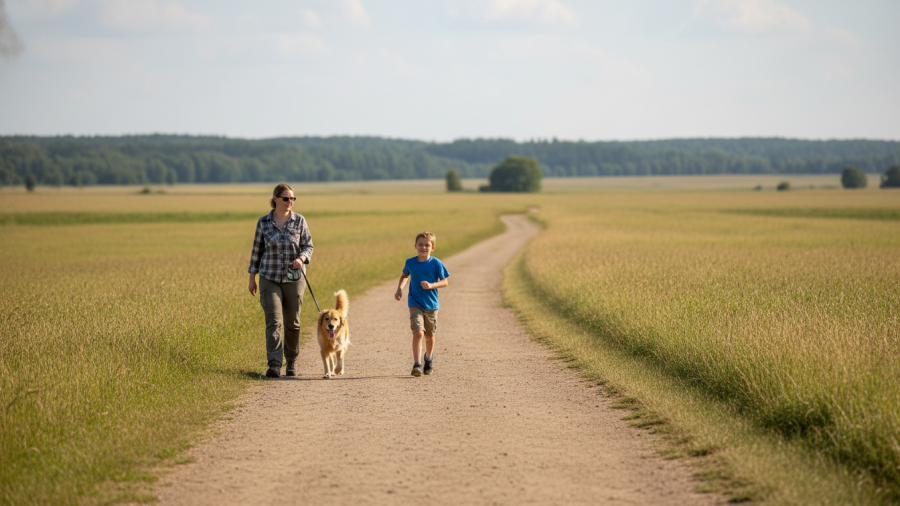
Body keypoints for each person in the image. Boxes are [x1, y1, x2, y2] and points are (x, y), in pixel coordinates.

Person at [248, 183, 314, 378]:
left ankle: (291, 361)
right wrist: (252, 278)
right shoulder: (263, 222)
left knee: (293, 323)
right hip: (269, 277)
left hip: (294, 278)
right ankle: (274, 364)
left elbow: (308, 246)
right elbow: (256, 251)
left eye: (292, 199)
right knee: (274, 321)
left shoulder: (299, 221)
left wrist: (301, 259)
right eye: (286, 198)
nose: (289, 202)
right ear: (275, 198)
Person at [394, 231, 450, 376]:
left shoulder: (436, 263)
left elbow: (445, 282)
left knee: (429, 336)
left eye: (427, 245)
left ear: (432, 248)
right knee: (418, 332)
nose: (423, 247)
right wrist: (400, 289)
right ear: (415, 246)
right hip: (415, 303)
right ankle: (417, 364)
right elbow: (404, 276)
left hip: (431, 305)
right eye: (420, 244)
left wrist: (431, 285)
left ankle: (428, 358)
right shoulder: (410, 262)